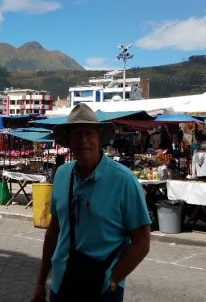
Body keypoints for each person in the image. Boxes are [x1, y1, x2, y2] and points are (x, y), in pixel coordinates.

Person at [32, 103, 151, 302]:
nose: (83, 141)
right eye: (76, 134)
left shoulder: (123, 180)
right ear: (68, 140)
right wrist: (40, 282)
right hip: (61, 284)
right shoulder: (62, 175)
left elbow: (142, 242)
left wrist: (113, 279)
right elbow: (54, 230)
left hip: (102, 289)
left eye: (89, 133)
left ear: (99, 137)